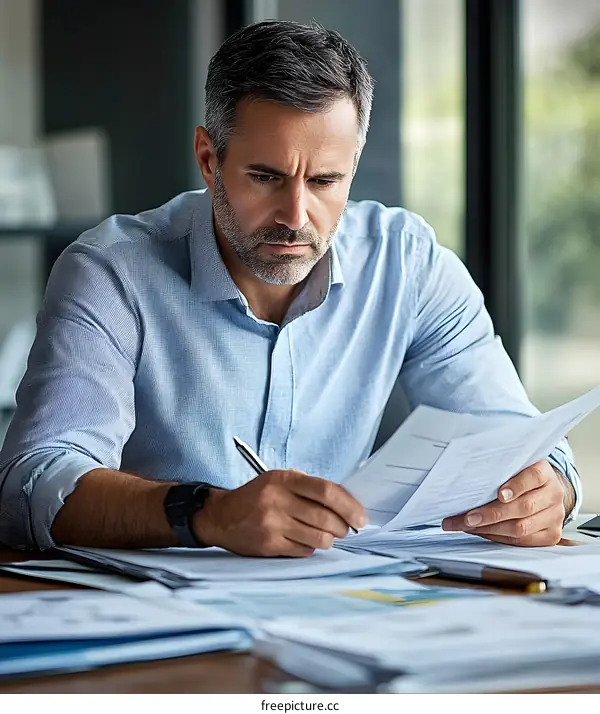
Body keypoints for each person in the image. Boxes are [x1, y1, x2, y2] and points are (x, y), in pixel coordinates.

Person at [0, 20, 579, 555]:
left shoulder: (408, 263)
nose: (296, 215)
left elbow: (521, 439)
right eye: (265, 177)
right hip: (159, 621)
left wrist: (550, 490)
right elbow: (32, 482)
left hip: (342, 606)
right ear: (209, 159)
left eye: (326, 181)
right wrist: (206, 514)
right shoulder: (112, 271)